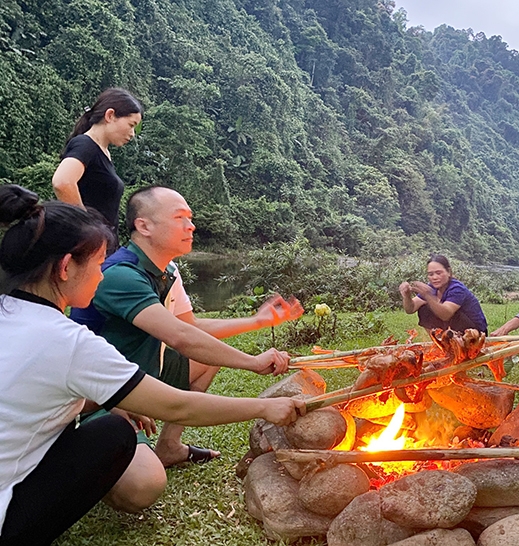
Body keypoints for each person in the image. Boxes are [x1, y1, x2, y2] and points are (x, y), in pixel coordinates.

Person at [0, 185, 305, 545]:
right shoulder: (73, 334)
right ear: (66, 267)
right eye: (98, 264)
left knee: (115, 423)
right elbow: (178, 397)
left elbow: (187, 330)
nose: (102, 275)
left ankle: (164, 443)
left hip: (104, 386)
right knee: (123, 449)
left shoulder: (14, 312)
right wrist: (267, 407)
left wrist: (111, 399)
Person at [69, 186, 303, 505]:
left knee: (209, 357)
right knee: (143, 486)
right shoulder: (121, 275)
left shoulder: (166, 270)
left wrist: (258, 321)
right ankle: (92, 455)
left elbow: (189, 328)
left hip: (142, 378)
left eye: (190, 219)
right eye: (180, 218)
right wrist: (252, 362)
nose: (191, 226)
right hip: (99, 396)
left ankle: (169, 446)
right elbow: (181, 338)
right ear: (144, 226)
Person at [52, 88, 143, 237]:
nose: (132, 134)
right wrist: (88, 227)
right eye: (131, 125)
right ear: (110, 115)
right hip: (87, 248)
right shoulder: (85, 144)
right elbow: (62, 182)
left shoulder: (103, 152)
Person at [399, 254, 488, 334]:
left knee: (436, 307)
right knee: (424, 309)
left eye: (438, 273)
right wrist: (407, 296)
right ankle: (439, 343)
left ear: (448, 272)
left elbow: (446, 315)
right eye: (431, 274)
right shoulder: (432, 287)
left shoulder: (457, 288)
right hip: (454, 330)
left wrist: (428, 296)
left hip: (475, 333)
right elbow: (411, 309)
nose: (434, 277)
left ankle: (453, 346)